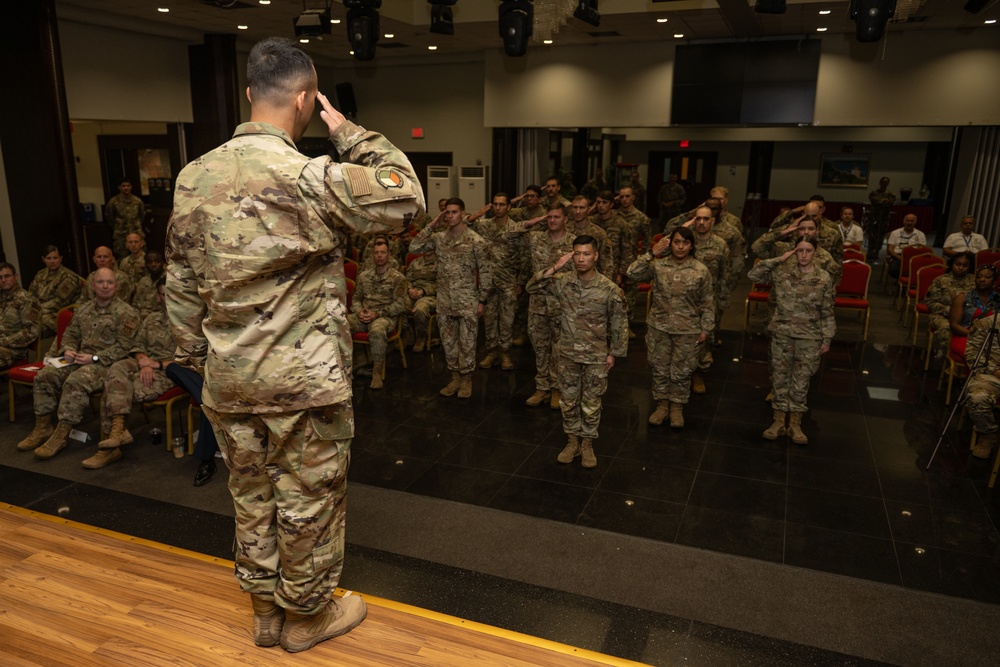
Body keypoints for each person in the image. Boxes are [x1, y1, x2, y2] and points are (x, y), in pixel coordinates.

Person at [165, 37, 423, 652]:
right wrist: (348, 130)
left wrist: (199, 363)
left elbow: (179, 284)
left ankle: (265, 613)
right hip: (304, 383)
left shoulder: (192, 176)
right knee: (308, 501)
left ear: (251, 94)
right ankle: (306, 617)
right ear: (307, 100)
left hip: (229, 380)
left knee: (251, 496)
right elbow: (404, 192)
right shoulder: (309, 177)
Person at [16, 268, 140, 459]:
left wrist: (95, 358)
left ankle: (61, 433)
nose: (105, 286)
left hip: (107, 363)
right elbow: (71, 334)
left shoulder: (127, 313)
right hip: (79, 358)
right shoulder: (84, 309)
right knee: (45, 375)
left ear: (116, 285)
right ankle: (43, 427)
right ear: (93, 285)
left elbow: (125, 346)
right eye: (100, 282)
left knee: (75, 381)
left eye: (109, 282)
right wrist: (68, 349)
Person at [527, 236, 627, 468]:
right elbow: (531, 287)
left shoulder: (608, 289)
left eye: (586, 254)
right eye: (577, 254)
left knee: (591, 402)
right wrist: (556, 266)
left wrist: (613, 353)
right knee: (569, 401)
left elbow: (619, 323)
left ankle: (587, 444)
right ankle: (572, 441)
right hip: (567, 354)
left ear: (596, 256)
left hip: (596, 356)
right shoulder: (562, 281)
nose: (581, 259)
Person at [749, 237, 835, 445]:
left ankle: (795, 424)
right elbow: (754, 274)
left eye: (808, 251)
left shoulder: (823, 277)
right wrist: (779, 258)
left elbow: (827, 310)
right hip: (783, 334)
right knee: (779, 378)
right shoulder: (782, 272)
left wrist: (827, 338)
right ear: (794, 252)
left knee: (801, 380)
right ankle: (778, 421)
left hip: (810, 336)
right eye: (800, 250)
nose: (804, 255)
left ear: (816, 252)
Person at [626, 226, 713, 429]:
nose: (680, 246)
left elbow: (708, 303)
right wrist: (651, 253)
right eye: (676, 242)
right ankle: (662, 405)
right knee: (660, 369)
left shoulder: (700, 270)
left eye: (685, 242)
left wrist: (706, 329)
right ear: (670, 244)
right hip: (659, 327)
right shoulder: (658, 266)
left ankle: (677, 408)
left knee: (682, 371)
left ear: (691, 245)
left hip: (688, 329)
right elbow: (632, 273)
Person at [85, 277, 176, 469]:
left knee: (115, 387)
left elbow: (192, 360)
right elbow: (138, 345)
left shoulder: (191, 323)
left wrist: (156, 364)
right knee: (116, 368)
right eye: (164, 294)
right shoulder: (152, 319)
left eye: (172, 294)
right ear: (158, 297)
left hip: (170, 370)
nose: (169, 298)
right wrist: (144, 362)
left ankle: (111, 445)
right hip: (145, 366)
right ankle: (117, 434)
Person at [409, 197, 490, 399]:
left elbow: (486, 272)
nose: (451, 216)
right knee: (448, 343)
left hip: (467, 301)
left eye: (455, 212)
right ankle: (454, 377)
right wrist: (431, 225)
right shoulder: (438, 239)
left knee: (468, 343)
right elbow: (413, 247)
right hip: (444, 302)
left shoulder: (475, 240)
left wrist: (483, 300)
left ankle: (466, 380)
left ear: (463, 213)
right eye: (447, 212)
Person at [507, 204, 577, 408]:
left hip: (563, 305)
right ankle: (542, 387)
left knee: (560, 349)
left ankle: (557, 389)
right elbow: (509, 235)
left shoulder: (574, 243)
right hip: (538, 303)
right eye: (549, 217)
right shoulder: (536, 238)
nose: (552, 220)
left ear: (566, 219)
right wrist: (533, 221)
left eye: (557, 216)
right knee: (540, 347)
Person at [471, 193, 523, 371]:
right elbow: (465, 224)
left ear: (509, 207)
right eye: (495, 204)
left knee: (507, 320)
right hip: (488, 282)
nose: (498, 207)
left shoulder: (516, 229)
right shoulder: (485, 226)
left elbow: (524, 255)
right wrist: (479, 213)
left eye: (502, 204)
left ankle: (505, 353)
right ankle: (491, 352)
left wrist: (520, 282)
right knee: (490, 318)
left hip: (508, 281)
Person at [349, 237, 409, 390]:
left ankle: (376, 372)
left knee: (377, 330)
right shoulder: (364, 276)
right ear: (372, 255)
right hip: (364, 315)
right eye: (376, 253)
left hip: (385, 317)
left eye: (383, 252)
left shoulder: (398, 278)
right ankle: (345, 368)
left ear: (389, 254)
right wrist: (359, 311)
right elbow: (356, 299)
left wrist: (377, 314)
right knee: (341, 325)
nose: (379, 255)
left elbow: (400, 305)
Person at [686, 207, 731, 393]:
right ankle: (683, 375)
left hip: (708, 301)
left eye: (706, 219)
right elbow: (668, 232)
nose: (701, 222)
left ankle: (698, 375)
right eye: (698, 219)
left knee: (703, 341)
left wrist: (721, 302)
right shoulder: (685, 241)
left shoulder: (720, 244)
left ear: (713, 221)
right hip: (685, 300)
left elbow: (725, 274)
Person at [964, 294, 1000, 460]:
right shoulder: (988, 323)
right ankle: (988, 434)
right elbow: (972, 355)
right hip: (991, 377)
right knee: (978, 397)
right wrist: (994, 371)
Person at [925, 252, 975, 362]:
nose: (961, 268)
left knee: (980, 331)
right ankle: (948, 358)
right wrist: (950, 311)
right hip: (942, 315)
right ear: (952, 264)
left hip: (967, 317)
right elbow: (930, 302)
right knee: (947, 328)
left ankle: (969, 360)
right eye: (958, 264)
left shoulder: (974, 281)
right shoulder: (941, 280)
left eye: (965, 265)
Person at [616, 186, 652, 338]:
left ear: (633, 198)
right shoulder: (613, 216)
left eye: (627, 196)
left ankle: (626, 326)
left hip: (632, 263)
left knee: (629, 297)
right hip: (614, 261)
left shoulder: (641, 218)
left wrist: (642, 260)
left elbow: (646, 241)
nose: (624, 199)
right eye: (621, 196)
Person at [29, 245, 82, 336]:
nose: (52, 261)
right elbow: (31, 294)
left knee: (32, 324)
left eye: (55, 258)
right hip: (41, 310)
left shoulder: (69, 277)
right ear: (43, 259)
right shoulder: (41, 274)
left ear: (60, 259)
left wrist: (37, 309)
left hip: (59, 312)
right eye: (48, 258)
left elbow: (59, 302)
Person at [0, 263, 42, 368]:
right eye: (0, 277)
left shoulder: (27, 300)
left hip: (14, 351)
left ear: (16, 276)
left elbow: (30, 332)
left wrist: (3, 342)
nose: (3, 280)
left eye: (7, 276)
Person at [567, 195, 613, 277]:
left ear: (588, 209)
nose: (578, 211)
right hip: (568, 280)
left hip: (591, 281)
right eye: (575, 207)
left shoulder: (598, 233)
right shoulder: (564, 231)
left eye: (582, 208)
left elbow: (606, 262)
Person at [404, 249, 437, 353]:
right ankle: (407, 333)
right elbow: (406, 280)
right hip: (413, 292)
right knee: (399, 304)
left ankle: (421, 336)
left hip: (432, 296)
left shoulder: (441, 262)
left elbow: (443, 284)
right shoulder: (415, 262)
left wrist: (424, 291)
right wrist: (409, 290)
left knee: (420, 308)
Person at [105, 178, 146, 259]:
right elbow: (109, 216)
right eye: (123, 186)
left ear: (131, 187)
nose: (126, 188)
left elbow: (142, 215)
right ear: (119, 187)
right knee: (122, 256)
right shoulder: (113, 202)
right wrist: (117, 226)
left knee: (141, 256)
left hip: (136, 232)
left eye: (128, 186)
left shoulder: (137, 201)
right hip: (121, 234)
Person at [886, 213, 927, 279]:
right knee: (893, 270)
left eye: (911, 221)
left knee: (923, 270)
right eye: (907, 220)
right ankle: (900, 281)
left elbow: (923, 250)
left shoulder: (920, 234)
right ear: (904, 221)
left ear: (915, 222)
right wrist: (898, 257)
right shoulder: (895, 233)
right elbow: (890, 249)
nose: (909, 223)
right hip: (898, 257)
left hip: (914, 258)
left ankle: (909, 282)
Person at [867, 177, 896, 261]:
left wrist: (881, 201)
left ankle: (876, 253)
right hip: (873, 217)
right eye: (882, 182)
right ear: (880, 183)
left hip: (884, 218)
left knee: (880, 236)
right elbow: (874, 201)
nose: (884, 184)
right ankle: (870, 252)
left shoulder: (891, 194)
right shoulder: (874, 192)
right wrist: (884, 201)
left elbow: (890, 202)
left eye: (885, 182)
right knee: (871, 235)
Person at [132, 251, 166, 319]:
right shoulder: (143, 281)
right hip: (140, 319)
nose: (153, 264)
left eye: (157, 261)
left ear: (163, 263)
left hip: (160, 320)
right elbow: (135, 305)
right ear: (145, 264)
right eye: (149, 262)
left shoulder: (168, 281)